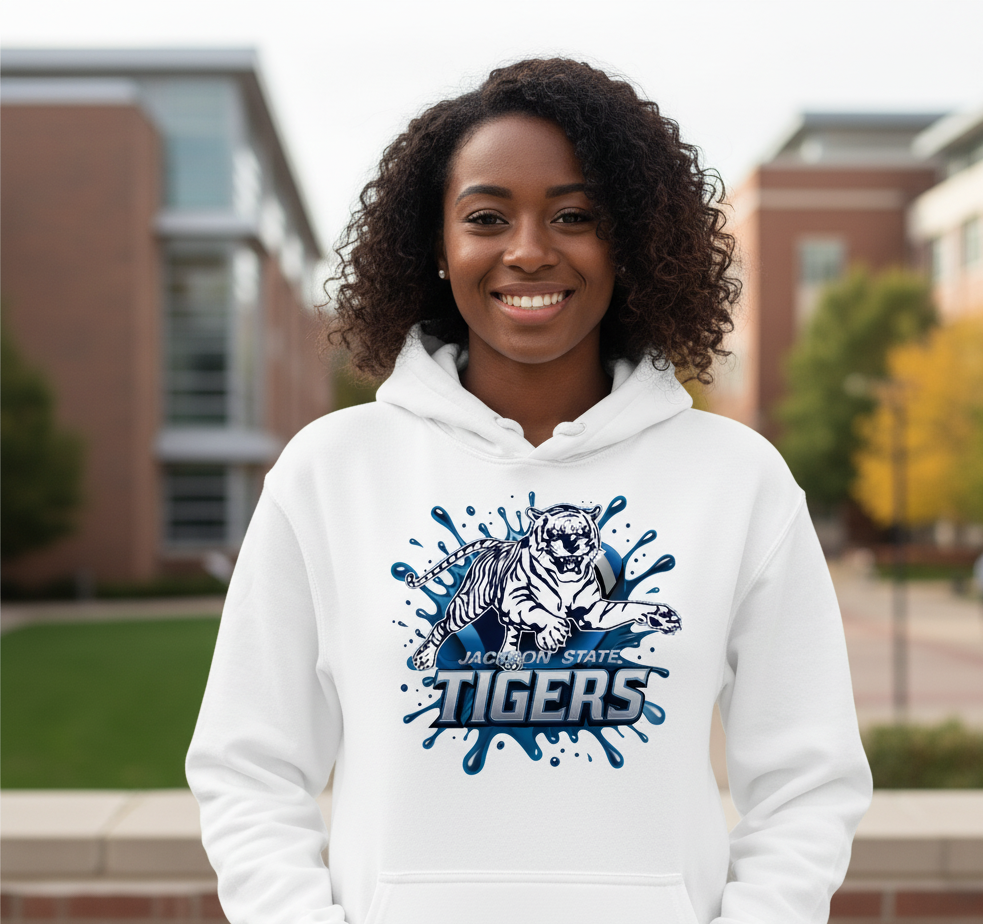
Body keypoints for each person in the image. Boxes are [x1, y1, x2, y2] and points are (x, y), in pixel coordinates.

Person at [186, 58, 872, 924]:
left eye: (574, 216)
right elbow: (249, 768)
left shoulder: (737, 480)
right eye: (485, 217)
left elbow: (809, 781)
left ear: (631, 241)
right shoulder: (328, 472)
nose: (528, 250)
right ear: (435, 247)